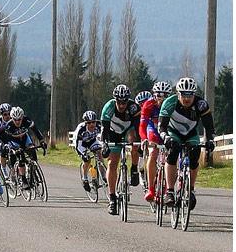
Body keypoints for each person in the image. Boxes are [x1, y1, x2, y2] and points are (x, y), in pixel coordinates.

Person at [158, 77, 215, 210]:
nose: (187, 99)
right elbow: (161, 127)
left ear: (194, 94)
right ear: (178, 94)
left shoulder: (201, 104)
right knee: (173, 153)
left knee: (195, 155)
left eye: (190, 95)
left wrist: (211, 141)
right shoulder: (169, 103)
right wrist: (166, 138)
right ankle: (170, 191)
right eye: (183, 95)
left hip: (191, 134)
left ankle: (191, 190)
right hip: (173, 133)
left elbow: (209, 126)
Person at [100, 84, 141, 215]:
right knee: (112, 164)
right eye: (119, 102)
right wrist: (105, 144)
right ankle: (112, 199)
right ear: (115, 100)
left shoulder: (134, 107)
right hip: (113, 133)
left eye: (124, 102)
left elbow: (138, 128)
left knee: (134, 142)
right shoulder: (109, 107)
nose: (122, 105)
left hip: (129, 131)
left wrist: (138, 145)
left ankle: (134, 168)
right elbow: (104, 131)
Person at [139, 81, 172, 202]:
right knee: (153, 153)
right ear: (154, 95)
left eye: (165, 96)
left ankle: (171, 187)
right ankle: (151, 189)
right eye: (158, 95)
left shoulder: (172, 105)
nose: (161, 99)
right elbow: (142, 126)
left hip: (168, 131)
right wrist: (144, 139)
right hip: (153, 130)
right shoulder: (148, 105)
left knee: (174, 155)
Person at [2, 106, 47, 190]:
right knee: (20, 155)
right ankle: (23, 179)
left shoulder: (27, 120)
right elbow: (6, 140)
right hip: (14, 141)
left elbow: (36, 130)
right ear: (12, 118)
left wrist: (42, 141)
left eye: (19, 119)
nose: (17, 121)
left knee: (32, 150)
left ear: (22, 117)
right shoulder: (9, 125)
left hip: (25, 138)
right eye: (15, 119)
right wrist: (12, 149)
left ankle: (33, 169)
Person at [72, 110, 104, 192]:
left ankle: (103, 176)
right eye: (89, 123)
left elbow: (103, 138)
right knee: (87, 160)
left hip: (92, 141)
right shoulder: (81, 129)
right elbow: (77, 145)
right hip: (81, 144)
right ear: (86, 123)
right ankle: (85, 178)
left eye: (93, 122)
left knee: (99, 153)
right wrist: (83, 154)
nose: (92, 124)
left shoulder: (99, 126)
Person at [0, 102, 12, 177]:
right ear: (1, 114)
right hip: (0, 139)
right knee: (2, 148)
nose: (8, 116)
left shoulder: (13, 119)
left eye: (9, 114)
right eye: (5, 114)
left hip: (11, 138)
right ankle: (3, 168)